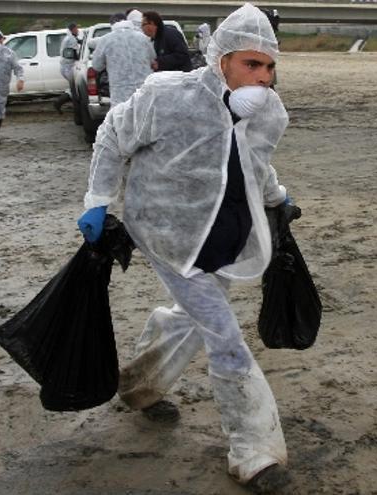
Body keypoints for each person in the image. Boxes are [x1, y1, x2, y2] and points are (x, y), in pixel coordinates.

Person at [76, 3, 293, 490]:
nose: (262, 77)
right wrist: (97, 199)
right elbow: (112, 134)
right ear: (221, 60)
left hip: (223, 233)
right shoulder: (168, 96)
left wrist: (278, 197)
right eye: (251, 64)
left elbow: (255, 161)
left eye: (269, 66)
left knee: (192, 317)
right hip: (167, 232)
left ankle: (137, 384)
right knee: (224, 337)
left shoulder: (267, 112)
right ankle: (253, 450)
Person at [91, 10, 156, 107]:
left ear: (112, 24)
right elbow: (153, 59)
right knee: (143, 117)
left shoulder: (105, 40)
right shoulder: (143, 38)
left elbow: (97, 66)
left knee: (122, 118)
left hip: (120, 92)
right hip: (143, 89)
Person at [54, 22, 82, 114]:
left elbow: (78, 41)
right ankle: (59, 103)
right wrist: (81, 59)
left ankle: (61, 103)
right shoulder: (71, 39)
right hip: (68, 67)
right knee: (75, 88)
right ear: (73, 29)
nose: (78, 30)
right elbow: (75, 54)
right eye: (76, 29)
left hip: (65, 66)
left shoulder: (69, 37)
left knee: (74, 88)